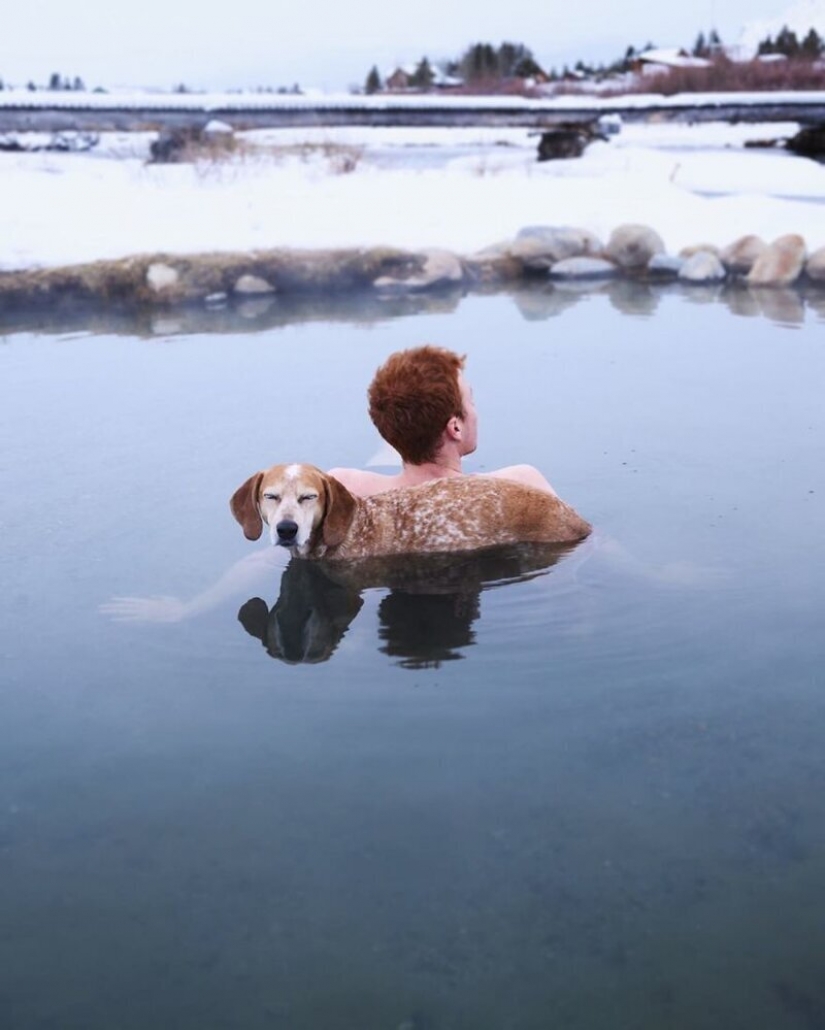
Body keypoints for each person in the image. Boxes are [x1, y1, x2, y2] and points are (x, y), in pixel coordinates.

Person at [329, 344, 559, 498]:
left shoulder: (344, 491)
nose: (475, 412)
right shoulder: (521, 484)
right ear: (455, 428)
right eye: (471, 400)